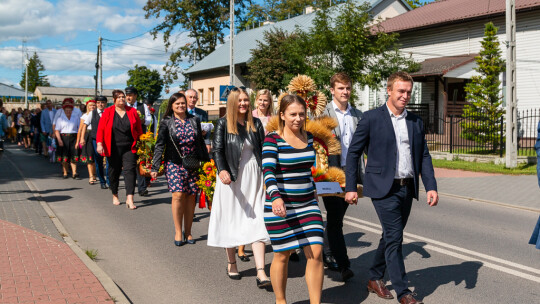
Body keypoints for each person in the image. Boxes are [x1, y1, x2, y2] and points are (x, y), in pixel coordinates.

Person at [344, 71, 439, 304]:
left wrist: (430, 185)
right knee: (396, 237)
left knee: (390, 236)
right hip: (382, 188)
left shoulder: (415, 121)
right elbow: (354, 152)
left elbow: (423, 156)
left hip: (407, 188)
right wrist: (350, 186)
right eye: (401, 91)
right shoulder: (371, 118)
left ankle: (375, 277)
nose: (405, 96)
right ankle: (403, 291)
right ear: (389, 90)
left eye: (408, 91)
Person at [263, 94, 324, 303]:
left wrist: (317, 185)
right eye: (293, 114)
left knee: (316, 252)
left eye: (301, 114)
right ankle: (281, 300)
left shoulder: (309, 138)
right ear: (282, 115)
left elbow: (309, 170)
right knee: (282, 254)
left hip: (308, 204)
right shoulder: (272, 138)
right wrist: (275, 197)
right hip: (280, 205)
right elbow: (268, 171)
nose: (298, 118)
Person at [208, 88, 271, 287]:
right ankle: (232, 262)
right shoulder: (223, 124)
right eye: (240, 100)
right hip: (232, 178)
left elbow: (264, 150)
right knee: (231, 220)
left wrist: (267, 176)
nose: (243, 103)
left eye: (246, 100)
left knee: (257, 220)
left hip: (254, 176)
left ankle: (261, 271)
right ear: (233, 103)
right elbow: (217, 150)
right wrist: (222, 170)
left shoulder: (256, 123)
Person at [320, 72, 364, 281]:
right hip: (329, 174)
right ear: (332, 90)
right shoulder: (322, 114)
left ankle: (327, 248)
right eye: (341, 88)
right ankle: (343, 263)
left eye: (347, 88)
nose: (345, 92)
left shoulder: (357, 115)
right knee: (335, 218)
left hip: (351, 172)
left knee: (338, 217)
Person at [151, 93, 210, 246]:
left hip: (193, 164)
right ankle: (178, 231)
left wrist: (207, 164)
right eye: (177, 104)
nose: (181, 106)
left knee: (191, 197)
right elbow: (159, 145)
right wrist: (155, 166)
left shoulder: (194, 120)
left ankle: (188, 231)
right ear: (171, 106)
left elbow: (200, 143)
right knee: (178, 195)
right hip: (174, 163)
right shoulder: (166, 122)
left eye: (183, 103)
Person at [96, 90, 142, 209]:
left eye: (123, 97)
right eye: (119, 97)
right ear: (114, 99)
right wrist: (99, 143)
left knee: (130, 171)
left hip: (129, 147)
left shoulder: (132, 111)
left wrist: (142, 142)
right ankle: (115, 194)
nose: (122, 99)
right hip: (113, 147)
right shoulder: (108, 112)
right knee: (113, 172)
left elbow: (138, 128)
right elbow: (100, 129)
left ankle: (130, 198)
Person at [125, 86, 152, 197]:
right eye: (127, 95)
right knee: (130, 164)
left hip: (141, 138)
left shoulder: (142, 106)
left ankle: (142, 188)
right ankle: (130, 188)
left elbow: (149, 119)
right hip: (127, 139)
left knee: (141, 162)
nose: (128, 98)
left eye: (130, 95)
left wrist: (143, 120)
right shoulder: (124, 107)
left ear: (135, 96)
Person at [84, 96, 109, 189]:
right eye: (98, 102)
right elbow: (85, 125)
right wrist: (83, 138)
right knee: (98, 160)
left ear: (106, 103)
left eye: (102, 102)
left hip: (108, 139)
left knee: (109, 160)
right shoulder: (92, 113)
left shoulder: (109, 112)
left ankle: (109, 180)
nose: (100, 104)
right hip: (95, 139)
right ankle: (102, 181)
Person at [54, 103, 80, 179]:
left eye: (70, 110)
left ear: (72, 111)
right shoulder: (60, 118)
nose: (68, 112)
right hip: (63, 138)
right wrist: (59, 140)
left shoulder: (76, 118)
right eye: (66, 110)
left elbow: (79, 129)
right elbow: (57, 130)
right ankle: (65, 172)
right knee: (64, 156)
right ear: (64, 111)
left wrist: (78, 140)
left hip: (73, 137)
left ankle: (74, 172)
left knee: (73, 156)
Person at [77, 99, 97, 185]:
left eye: (93, 105)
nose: (92, 107)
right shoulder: (84, 116)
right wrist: (81, 139)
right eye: (90, 106)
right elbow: (81, 129)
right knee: (89, 156)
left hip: (97, 134)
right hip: (88, 135)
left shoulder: (98, 114)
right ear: (87, 107)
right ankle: (91, 176)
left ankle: (95, 173)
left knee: (96, 156)